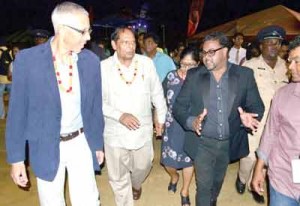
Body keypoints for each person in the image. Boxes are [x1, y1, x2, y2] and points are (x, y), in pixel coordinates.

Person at [6, 2, 104, 205]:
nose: (88, 37)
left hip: (80, 142)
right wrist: (16, 159)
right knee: (51, 201)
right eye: (83, 31)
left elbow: (94, 109)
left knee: (88, 201)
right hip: (45, 145)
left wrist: (97, 144)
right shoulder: (27, 61)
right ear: (62, 30)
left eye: (89, 30)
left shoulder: (91, 62)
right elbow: (17, 114)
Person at [173, 31, 265, 206]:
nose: (206, 57)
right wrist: (192, 122)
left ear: (225, 51)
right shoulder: (194, 76)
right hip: (202, 143)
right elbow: (179, 107)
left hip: (228, 143)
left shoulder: (244, 75)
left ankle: (212, 200)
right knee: (203, 186)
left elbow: (257, 107)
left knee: (217, 181)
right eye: (203, 52)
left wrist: (247, 119)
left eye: (211, 52)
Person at [101, 26, 167, 206]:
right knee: (118, 175)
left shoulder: (146, 63)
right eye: (125, 42)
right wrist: (119, 115)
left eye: (132, 42)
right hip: (115, 131)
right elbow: (97, 102)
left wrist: (160, 118)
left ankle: (136, 184)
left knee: (144, 165)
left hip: (142, 129)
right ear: (114, 44)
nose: (131, 46)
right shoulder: (103, 68)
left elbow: (157, 93)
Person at [235, 25, 288, 204]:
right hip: (256, 124)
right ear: (261, 45)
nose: (274, 47)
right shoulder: (249, 67)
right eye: (269, 43)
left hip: (280, 125)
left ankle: (256, 185)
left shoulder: (287, 67)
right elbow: (239, 96)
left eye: (277, 43)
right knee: (249, 158)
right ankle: (242, 178)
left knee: (271, 158)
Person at [252, 35, 300, 206]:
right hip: (283, 179)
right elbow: (271, 133)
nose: (290, 67)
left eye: (297, 61)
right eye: (290, 61)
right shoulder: (282, 95)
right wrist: (259, 169)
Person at [161, 47, 199, 206]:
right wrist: (159, 119)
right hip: (171, 125)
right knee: (168, 162)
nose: (186, 69)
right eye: (183, 64)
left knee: (188, 160)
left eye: (191, 65)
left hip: (191, 126)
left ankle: (185, 190)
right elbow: (160, 98)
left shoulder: (201, 79)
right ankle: (174, 176)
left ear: (198, 64)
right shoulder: (170, 77)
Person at [0, 44, 20, 119]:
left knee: (12, 98)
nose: (17, 53)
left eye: (18, 52)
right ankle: (2, 116)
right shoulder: (4, 53)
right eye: (15, 51)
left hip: (11, 80)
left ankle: (8, 115)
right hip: (3, 79)